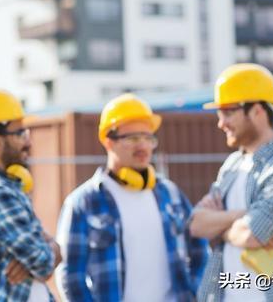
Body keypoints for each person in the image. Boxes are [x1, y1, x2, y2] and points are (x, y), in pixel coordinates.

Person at [55, 93, 209, 302]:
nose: (143, 147)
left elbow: (200, 249)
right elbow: (71, 275)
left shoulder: (170, 194)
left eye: (148, 138)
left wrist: (195, 292)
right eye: (133, 138)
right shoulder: (83, 202)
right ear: (109, 141)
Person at [190, 63, 273, 301]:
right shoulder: (231, 167)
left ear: (257, 111)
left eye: (228, 112)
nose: (220, 123)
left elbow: (252, 235)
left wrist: (220, 227)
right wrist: (246, 214)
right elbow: (196, 224)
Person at [0, 89, 61, 301]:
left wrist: (45, 250)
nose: (28, 142)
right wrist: (52, 247)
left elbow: (40, 258)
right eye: (20, 133)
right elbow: (43, 264)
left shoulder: (9, 188)